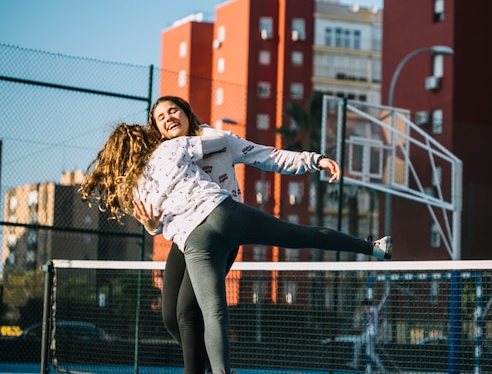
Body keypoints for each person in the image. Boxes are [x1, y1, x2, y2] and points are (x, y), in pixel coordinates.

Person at [81, 123, 392, 374]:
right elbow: (219, 142)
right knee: (300, 235)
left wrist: (151, 225)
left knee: (213, 312)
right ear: (143, 140)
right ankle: (372, 247)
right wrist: (201, 133)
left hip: (196, 241)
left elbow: (157, 226)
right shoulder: (171, 146)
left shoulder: (135, 188)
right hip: (223, 213)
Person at [146, 96, 344, 374]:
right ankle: (216, 367)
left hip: (220, 231)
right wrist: (151, 224)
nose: (168, 118)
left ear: (187, 113)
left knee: (188, 312)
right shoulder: (164, 157)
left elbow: (268, 156)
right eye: (160, 117)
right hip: (184, 238)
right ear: (157, 128)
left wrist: (315, 160)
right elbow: (155, 217)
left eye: (173, 110)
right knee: (170, 317)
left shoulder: (218, 140)